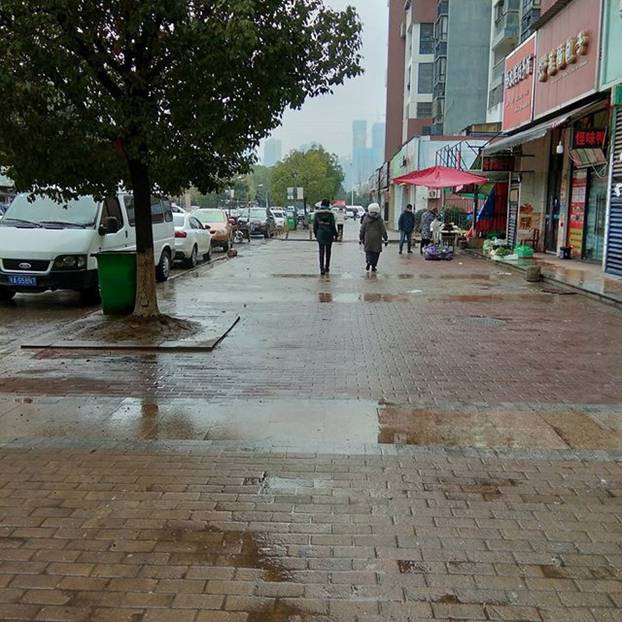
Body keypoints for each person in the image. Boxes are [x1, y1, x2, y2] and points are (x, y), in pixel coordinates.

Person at [359, 203, 388, 272]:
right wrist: (386, 238)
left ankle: (368, 261)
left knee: (368, 251)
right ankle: (374, 266)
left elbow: (362, 229)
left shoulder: (366, 218)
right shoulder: (379, 219)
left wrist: (361, 237)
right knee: (376, 253)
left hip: (368, 238)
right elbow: (383, 230)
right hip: (377, 238)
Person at [313, 198, 338, 275]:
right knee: (328, 252)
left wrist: (316, 234)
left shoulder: (317, 214)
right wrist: (336, 234)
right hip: (329, 234)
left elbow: (315, 225)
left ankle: (321, 269)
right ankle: (327, 267)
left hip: (320, 234)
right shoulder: (331, 214)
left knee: (321, 252)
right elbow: (333, 225)